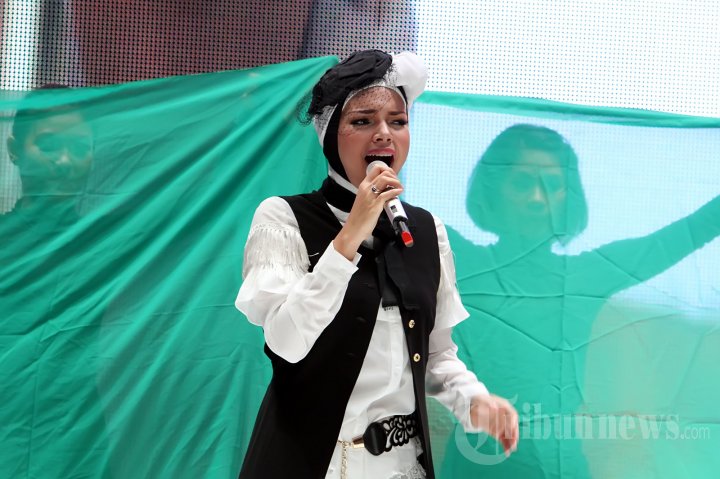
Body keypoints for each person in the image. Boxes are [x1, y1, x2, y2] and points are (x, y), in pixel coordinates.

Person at [234, 50, 519, 479]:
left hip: (401, 465)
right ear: (330, 135)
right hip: (312, 464)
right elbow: (286, 342)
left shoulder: (427, 231)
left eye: (398, 121)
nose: (384, 134)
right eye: (363, 120)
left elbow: (435, 353)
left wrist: (473, 401)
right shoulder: (283, 218)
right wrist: (349, 238)